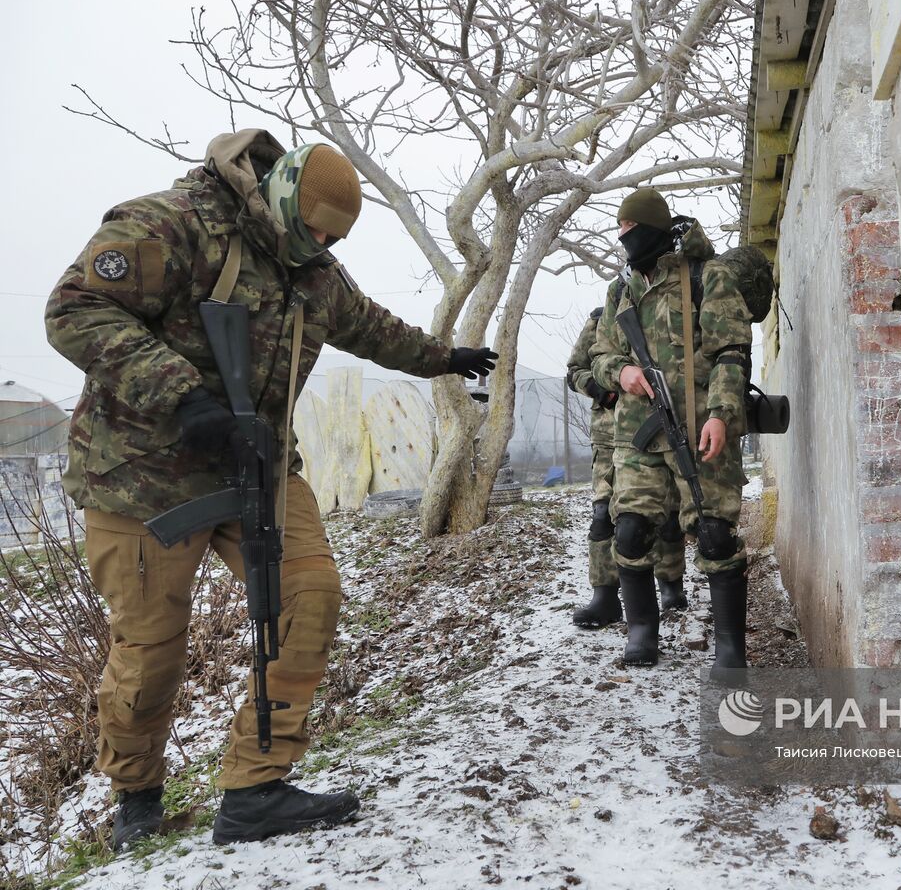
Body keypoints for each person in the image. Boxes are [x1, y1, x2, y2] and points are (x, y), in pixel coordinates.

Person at [45, 129, 497, 850]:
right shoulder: (173, 225)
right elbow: (74, 310)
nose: (321, 241)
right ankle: (136, 793)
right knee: (152, 647)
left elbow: (367, 325)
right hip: (141, 479)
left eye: (332, 236)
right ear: (281, 195)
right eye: (314, 226)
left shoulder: (312, 264)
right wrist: (182, 394)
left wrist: (443, 357)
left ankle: (256, 784)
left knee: (310, 597)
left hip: (257, 464)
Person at [589, 188, 751, 674]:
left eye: (629, 230)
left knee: (714, 535)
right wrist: (621, 374)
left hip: (701, 431)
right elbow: (598, 356)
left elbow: (731, 352)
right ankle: (642, 630)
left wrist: (722, 413)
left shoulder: (706, 276)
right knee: (631, 531)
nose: (622, 239)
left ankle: (729, 649)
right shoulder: (621, 290)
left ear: (651, 228)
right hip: (636, 433)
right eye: (619, 231)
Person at [566, 305, 687, 628]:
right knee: (603, 513)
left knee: (665, 512)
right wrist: (602, 391)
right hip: (609, 435)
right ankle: (605, 595)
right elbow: (575, 370)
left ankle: (671, 581)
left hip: (660, 429)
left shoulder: (666, 308)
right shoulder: (601, 319)